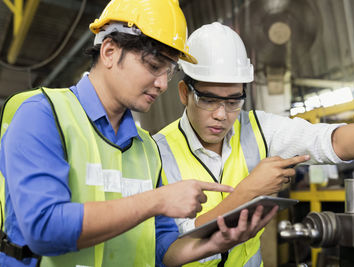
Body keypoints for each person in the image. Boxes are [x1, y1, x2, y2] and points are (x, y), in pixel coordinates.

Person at [0, 2, 279, 267]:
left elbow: (161, 246)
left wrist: (216, 244)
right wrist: (157, 200)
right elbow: (44, 228)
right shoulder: (44, 115)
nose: (161, 84)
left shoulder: (145, 147)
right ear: (109, 51)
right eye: (153, 66)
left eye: (168, 72)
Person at [154, 22, 354, 267]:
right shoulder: (156, 152)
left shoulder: (258, 128)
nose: (221, 114)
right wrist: (247, 192)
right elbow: (167, 249)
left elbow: (334, 140)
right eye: (208, 100)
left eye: (233, 102)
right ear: (184, 93)